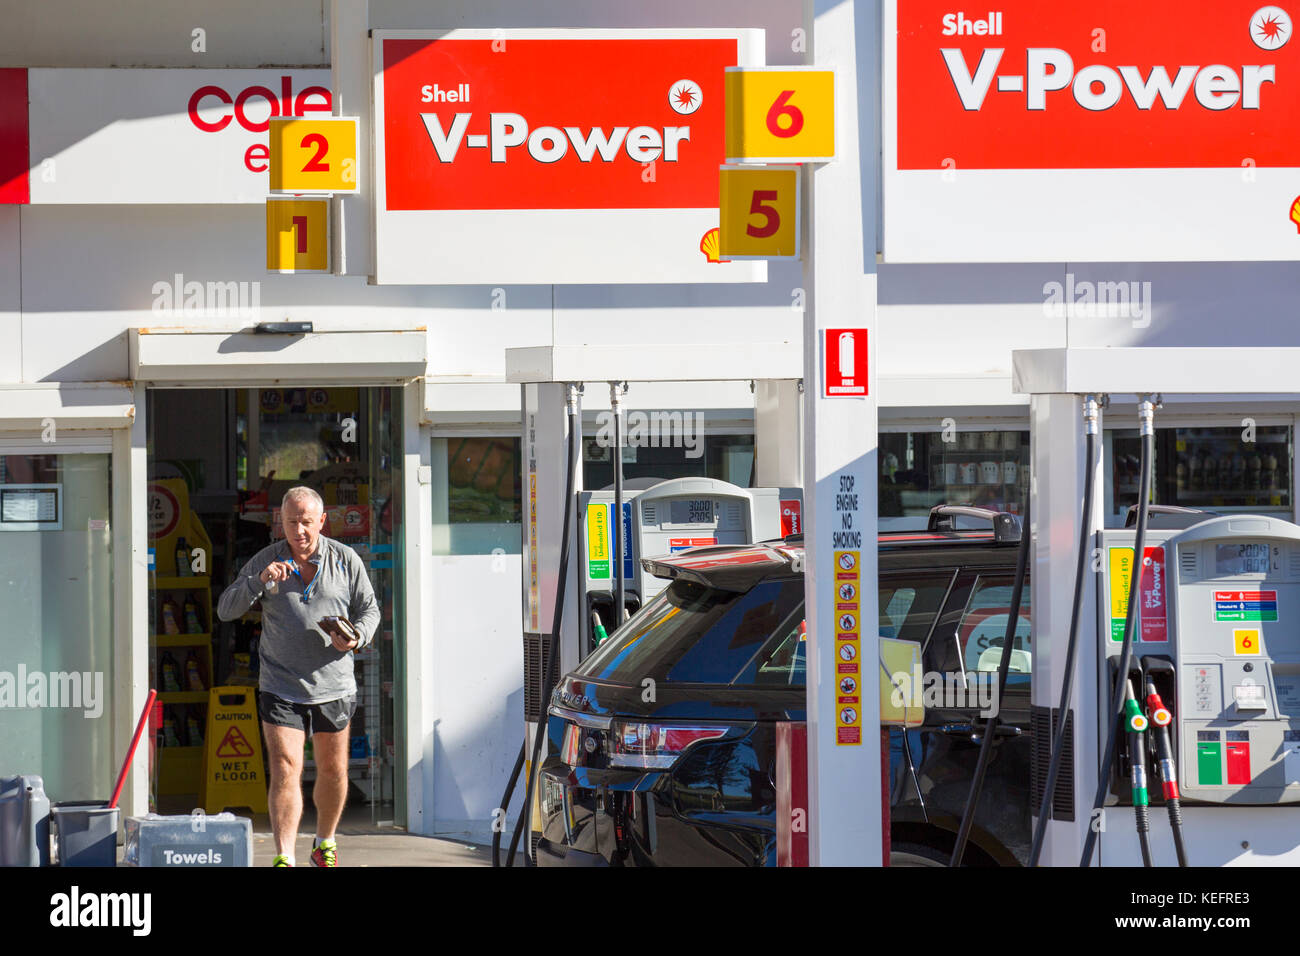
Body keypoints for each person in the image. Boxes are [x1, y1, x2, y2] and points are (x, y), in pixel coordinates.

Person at [217, 486, 380, 867]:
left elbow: (369, 609)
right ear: (281, 523)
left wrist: (357, 637)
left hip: (334, 684)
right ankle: (284, 856)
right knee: (286, 767)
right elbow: (226, 610)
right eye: (292, 522)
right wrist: (258, 581)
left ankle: (324, 842)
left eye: (307, 522)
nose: (300, 531)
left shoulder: (346, 559)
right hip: (281, 685)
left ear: (322, 522)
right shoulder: (267, 560)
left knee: (333, 770)